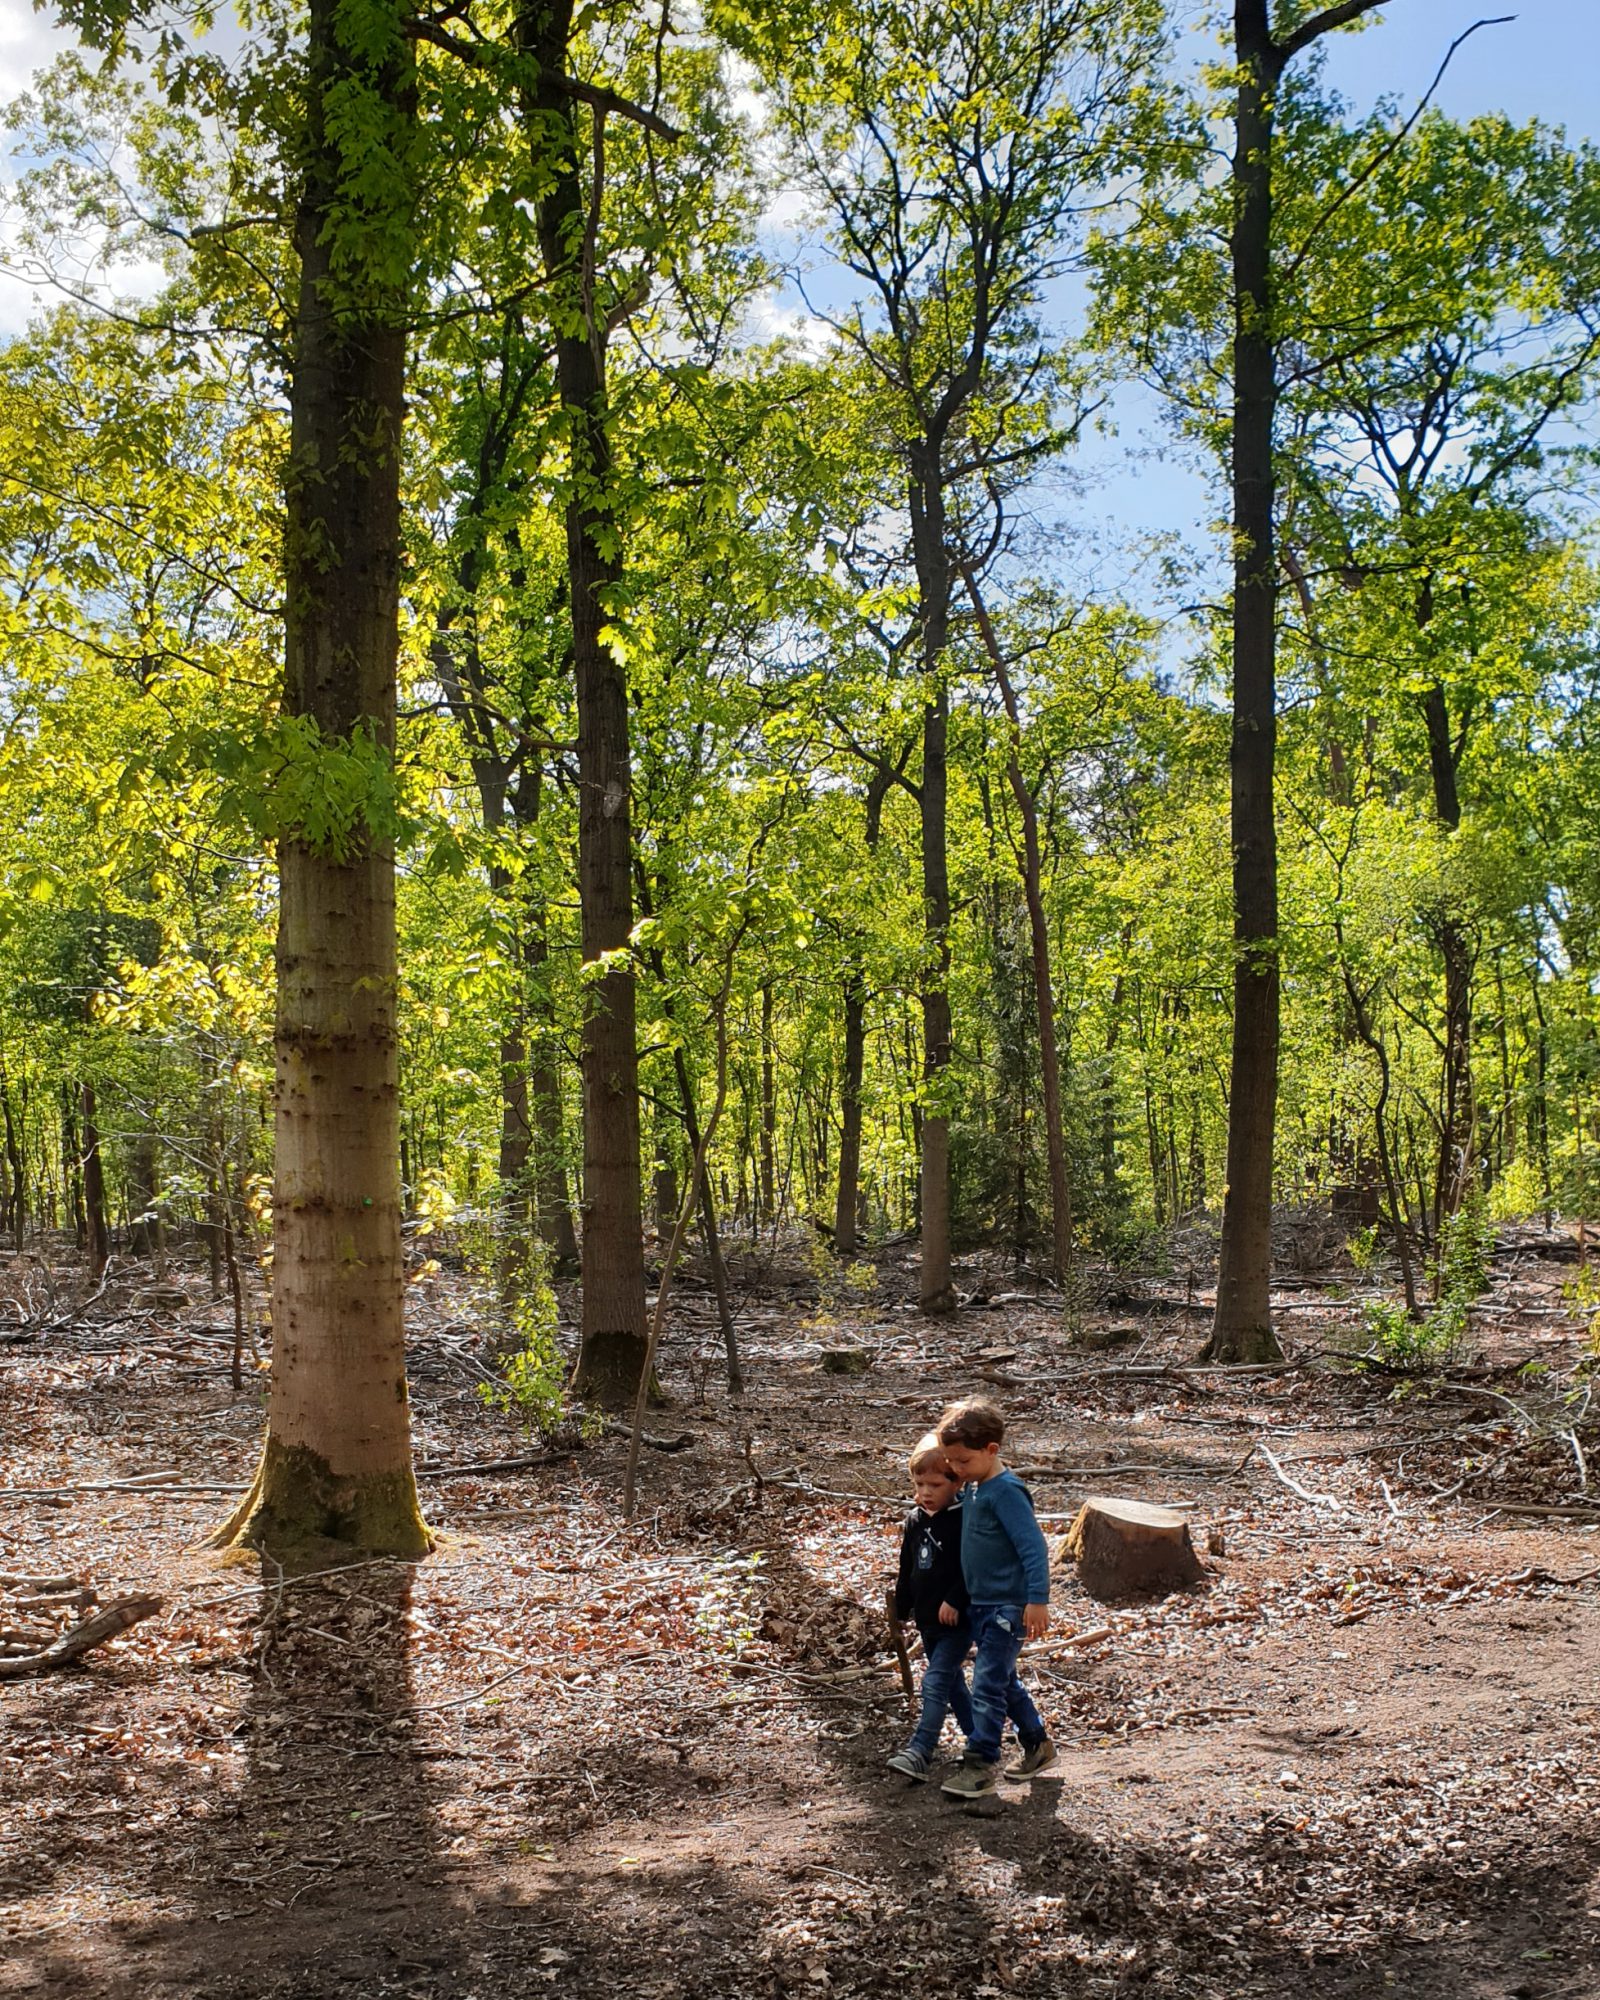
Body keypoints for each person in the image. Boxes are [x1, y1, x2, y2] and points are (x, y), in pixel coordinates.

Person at [934, 1397, 1056, 1798]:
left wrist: (1037, 1599)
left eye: (963, 1461)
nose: (955, 1469)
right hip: (980, 1605)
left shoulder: (1005, 1491)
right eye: (951, 1461)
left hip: (1008, 1607)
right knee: (1003, 1682)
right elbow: (973, 1553)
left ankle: (980, 1763)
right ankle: (1037, 1745)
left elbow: (1033, 1548)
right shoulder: (973, 1489)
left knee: (987, 1682)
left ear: (991, 1450)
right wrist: (960, 1597)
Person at [885, 1433, 973, 1782]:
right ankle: (981, 1742)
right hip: (927, 1620)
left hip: (956, 1620)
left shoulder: (965, 1518)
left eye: (935, 1484)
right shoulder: (915, 1521)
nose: (925, 1492)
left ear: (957, 1481)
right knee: (953, 1686)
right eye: (919, 1484)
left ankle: (921, 1750)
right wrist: (902, 1609)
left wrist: (956, 1598)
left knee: (935, 1681)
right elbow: (908, 1568)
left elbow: (973, 1566)